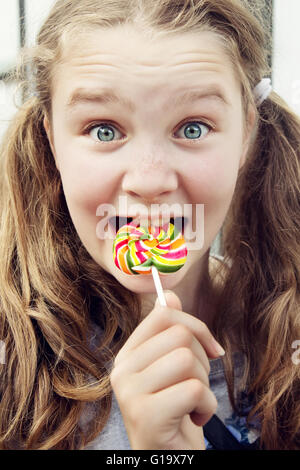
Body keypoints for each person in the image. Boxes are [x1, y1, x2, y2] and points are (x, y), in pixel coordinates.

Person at [0, 0, 299, 450]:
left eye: (193, 128)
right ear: (52, 141)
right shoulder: (11, 366)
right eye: (103, 130)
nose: (149, 180)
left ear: (247, 136)